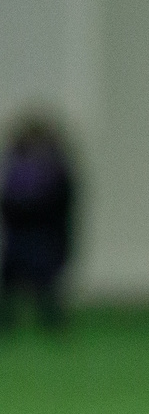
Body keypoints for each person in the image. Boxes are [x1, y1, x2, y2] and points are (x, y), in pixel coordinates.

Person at [0, 115, 76, 332]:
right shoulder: (16, 166)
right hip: (21, 234)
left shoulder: (56, 167)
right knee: (11, 281)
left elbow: (62, 203)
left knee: (46, 283)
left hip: (46, 236)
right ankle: (9, 323)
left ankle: (52, 323)